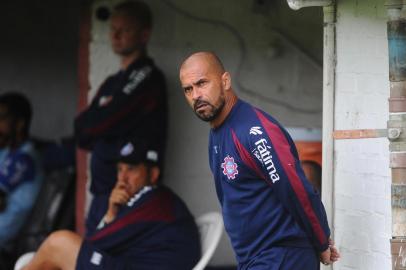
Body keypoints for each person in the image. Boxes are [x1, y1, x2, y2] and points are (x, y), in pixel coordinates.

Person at [179, 51, 340, 269]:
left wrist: (321, 239)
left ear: (225, 81)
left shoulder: (253, 131)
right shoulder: (217, 132)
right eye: (188, 89)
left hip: (281, 256)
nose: (196, 95)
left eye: (202, 83)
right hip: (255, 259)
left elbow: (296, 188)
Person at [22, 139, 201, 270]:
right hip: (130, 265)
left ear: (153, 174)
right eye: (119, 169)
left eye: (131, 169)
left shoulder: (154, 202)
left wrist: (110, 216)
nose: (122, 178)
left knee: (59, 243)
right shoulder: (154, 200)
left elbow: (93, 242)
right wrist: (111, 213)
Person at [74, 0, 168, 235]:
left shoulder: (147, 76)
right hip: (101, 191)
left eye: (124, 30)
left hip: (127, 193)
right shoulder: (112, 83)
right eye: (112, 28)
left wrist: (99, 128)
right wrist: (99, 128)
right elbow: (82, 130)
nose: (115, 35)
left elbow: (100, 123)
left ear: (144, 35)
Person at [0, 92, 43, 247]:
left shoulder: (24, 159)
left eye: (2, 119)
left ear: (19, 124)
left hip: (5, 233)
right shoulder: (7, 151)